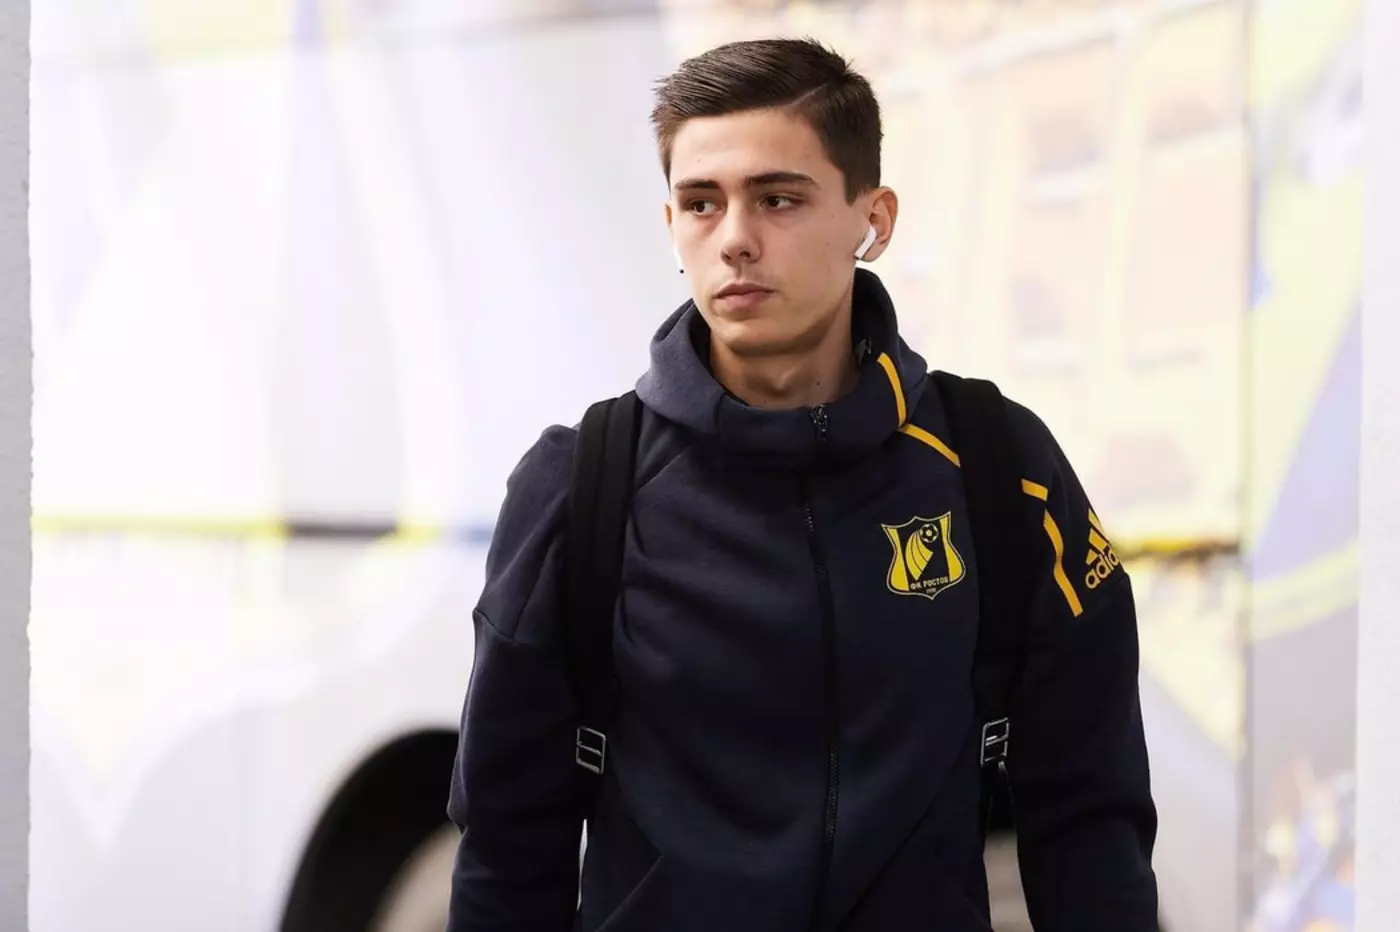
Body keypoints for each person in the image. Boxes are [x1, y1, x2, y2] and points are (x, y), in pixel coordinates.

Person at [444, 36, 1158, 932]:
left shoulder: (1000, 467)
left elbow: (1091, 819)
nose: (735, 239)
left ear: (875, 219)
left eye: (778, 198)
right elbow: (508, 844)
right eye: (701, 203)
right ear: (671, 225)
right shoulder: (582, 485)